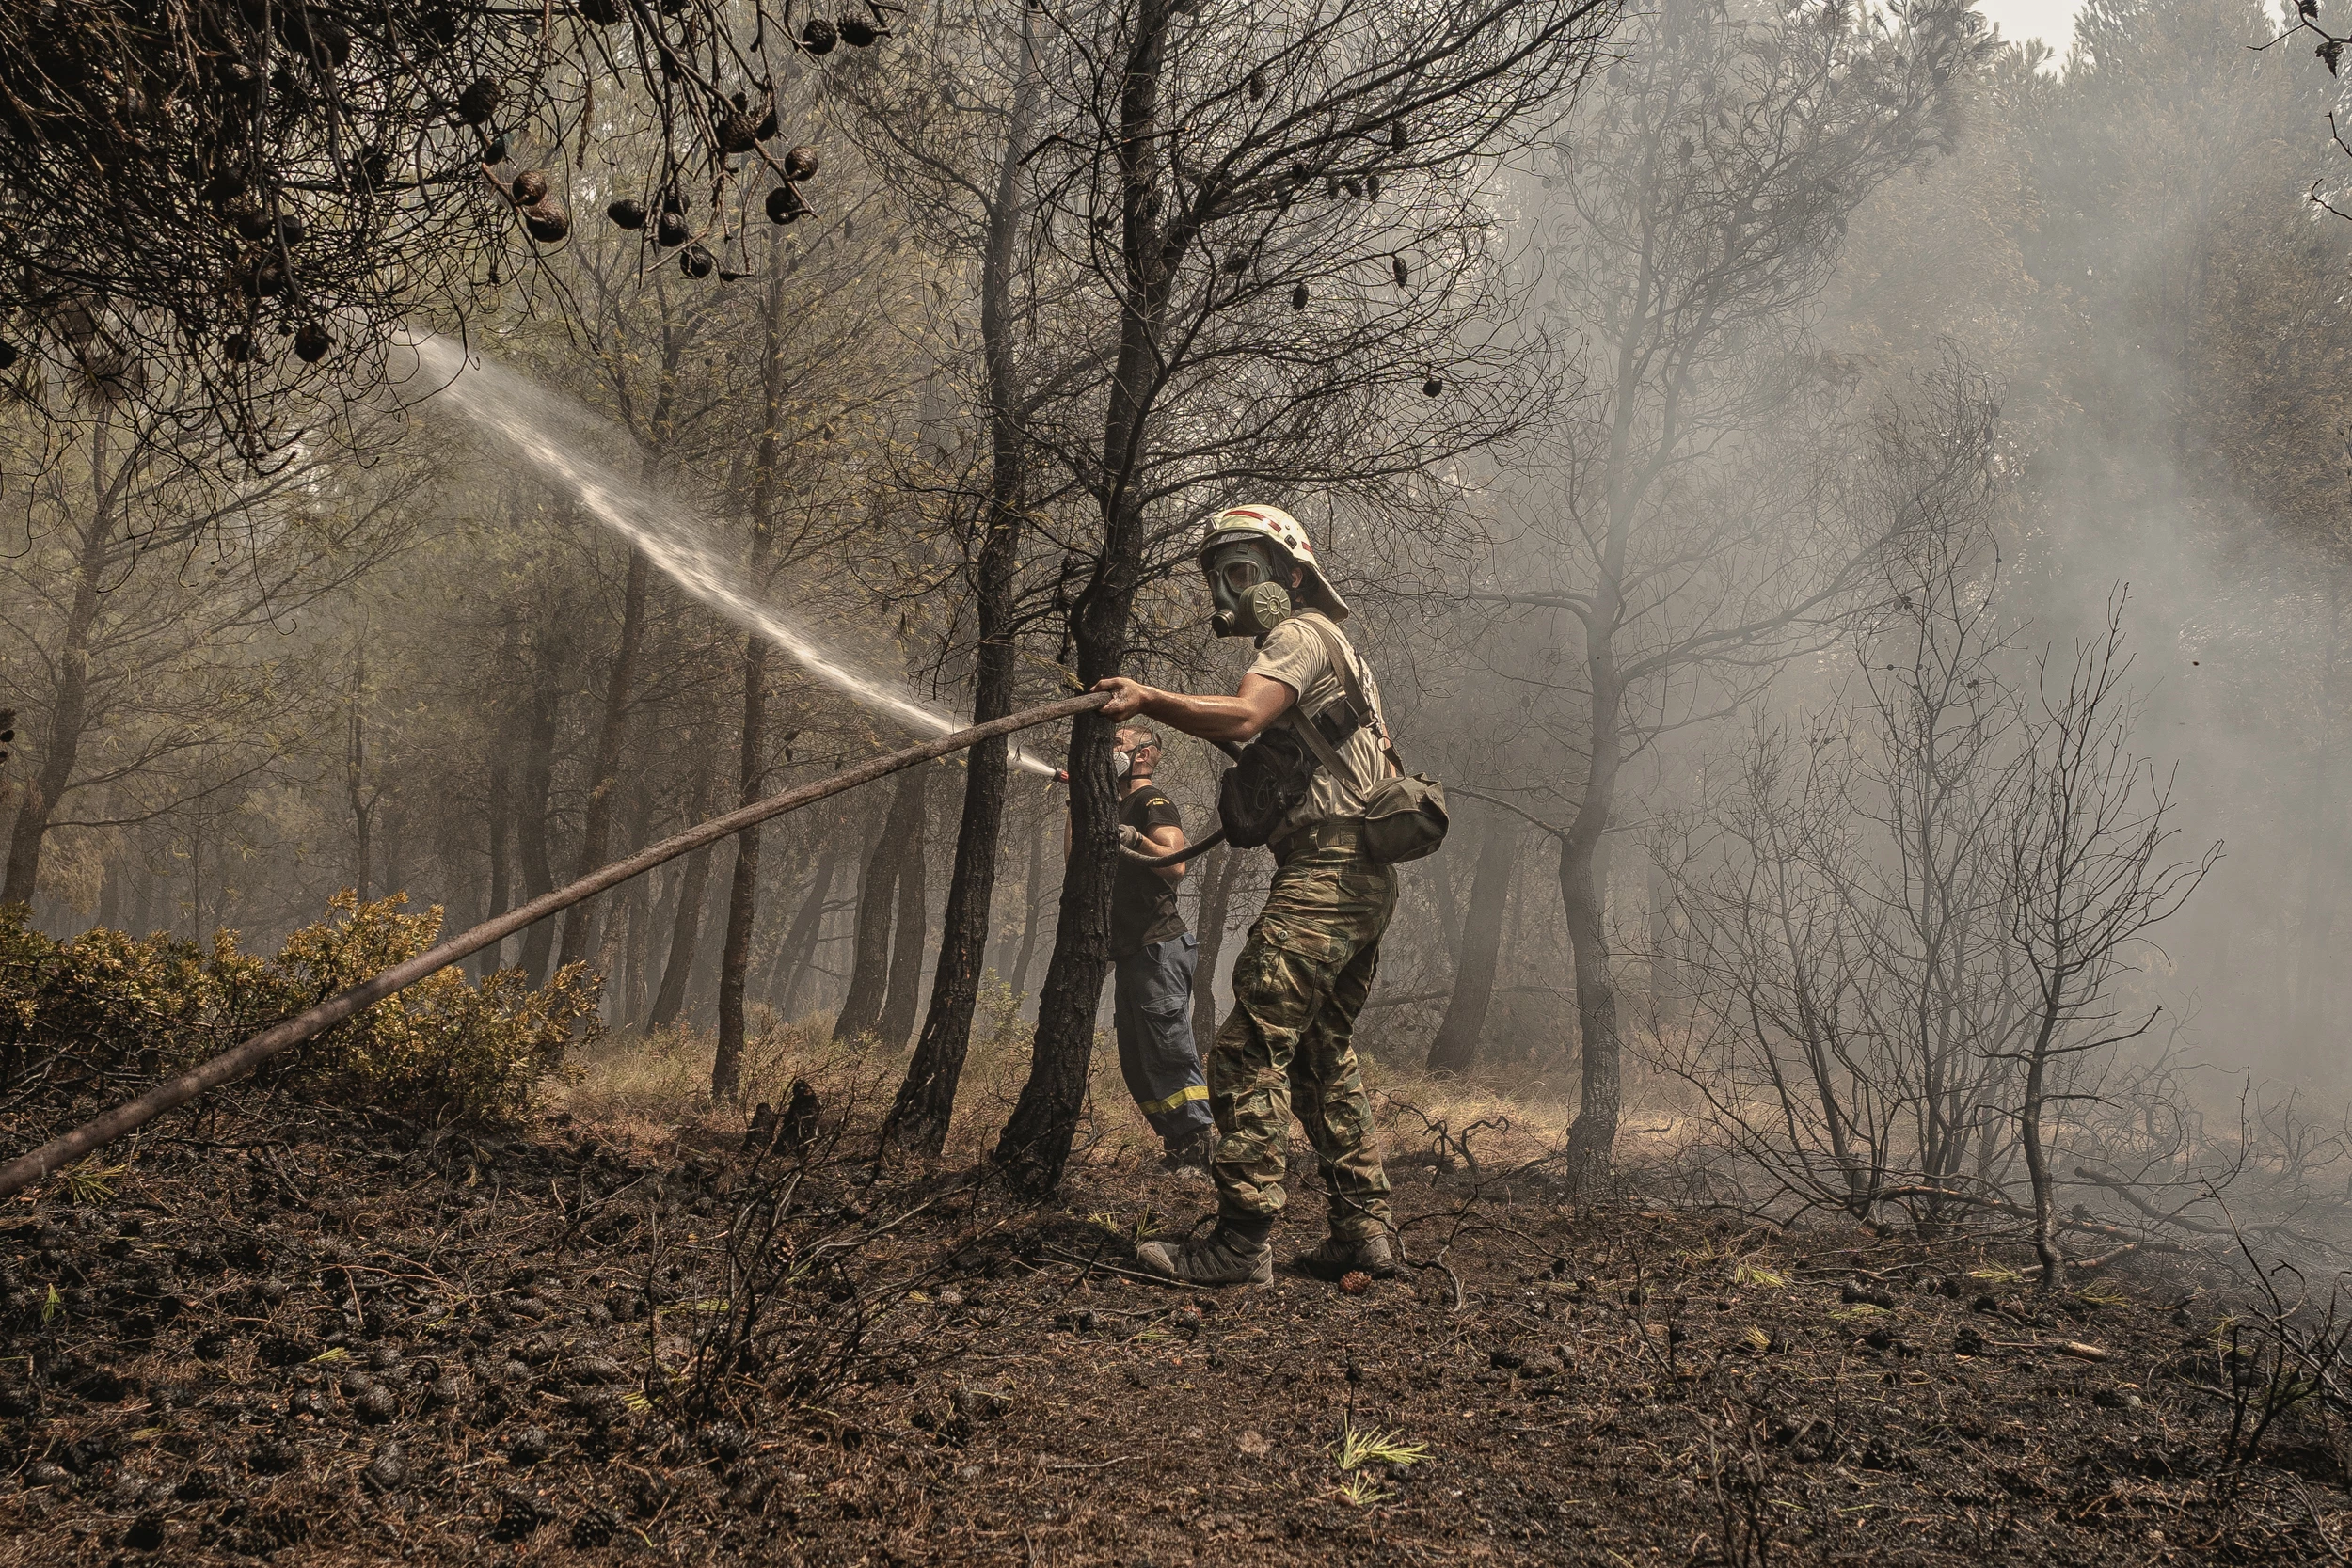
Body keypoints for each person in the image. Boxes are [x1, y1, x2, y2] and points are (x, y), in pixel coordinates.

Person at [1096, 503, 1401, 1287]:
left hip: (1328, 868)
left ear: (1288, 573)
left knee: (1241, 1050)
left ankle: (1240, 1245)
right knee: (1322, 1054)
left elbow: (1242, 711)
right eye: (1216, 576)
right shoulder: (1340, 654)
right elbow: (1257, 737)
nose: (1226, 592)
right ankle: (1365, 1233)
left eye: (1239, 571)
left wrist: (1146, 697)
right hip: (1363, 874)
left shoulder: (1295, 635)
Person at [1101, 724, 1216, 1173]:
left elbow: (1176, 864)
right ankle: (1177, 1145)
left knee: (1168, 1050)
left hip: (1159, 946)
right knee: (1136, 1059)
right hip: (1132, 951)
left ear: (1144, 755)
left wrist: (1134, 839)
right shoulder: (1113, 803)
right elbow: (1075, 861)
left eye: (1118, 743)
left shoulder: (1153, 802)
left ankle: (1199, 1150)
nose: (1110, 748)